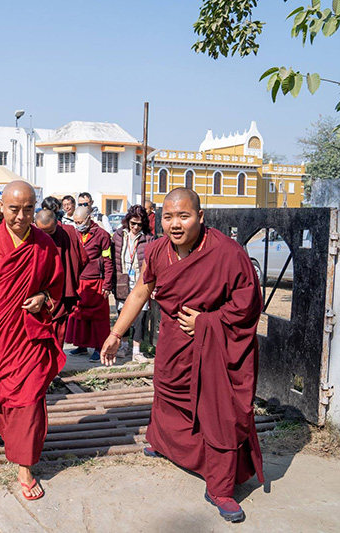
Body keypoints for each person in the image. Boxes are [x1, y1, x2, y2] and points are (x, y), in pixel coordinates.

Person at [101, 187, 264, 523]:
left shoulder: (227, 253)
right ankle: (165, 444)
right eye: (168, 217)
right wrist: (116, 333)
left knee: (219, 414)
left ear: (200, 217)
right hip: (174, 343)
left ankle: (220, 487)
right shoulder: (158, 251)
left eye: (183, 216)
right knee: (170, 397)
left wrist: (208, 321)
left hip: (216, 349)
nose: (175, 224)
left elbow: (248, 305)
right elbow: (140, 292)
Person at [0, 180, 65, 501]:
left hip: (27, 337)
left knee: (30, 397)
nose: (21, 216)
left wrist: (43, 296)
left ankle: (25, 466)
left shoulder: (45, 244)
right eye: (14, 209)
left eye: (28, 209)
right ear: (2, 207)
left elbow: (56, 287)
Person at [66, 206, 114, 362]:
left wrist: (107, 284)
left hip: (96, 281)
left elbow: (108, 261)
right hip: (79, 280)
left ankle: (100, 347)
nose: (78, 225)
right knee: (79, 313)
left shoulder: (102, 235)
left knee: (98, 316)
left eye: (80, 222)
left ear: (89, 218)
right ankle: (82, 345)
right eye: (75, 222)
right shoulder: (74, 234)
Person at [34, 208, 88, 347]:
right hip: (38, 290)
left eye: (50, 231)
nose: (46, 236)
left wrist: (69, 277)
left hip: (62, 290)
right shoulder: (32, 234)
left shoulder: (68, 232)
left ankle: (56, 358)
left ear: (56, 223)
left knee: (58, 329)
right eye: (43, 232)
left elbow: (82, 258)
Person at [112, 204, 154, 361]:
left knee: (140, 315)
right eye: (133, 224)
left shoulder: (148, 238)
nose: (136, 227)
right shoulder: (119, 235)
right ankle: (124, 346)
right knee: (123, 313)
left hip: (140, 280)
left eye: (139, 224)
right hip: (122, 280)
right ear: (128, 221)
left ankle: (136, 350)